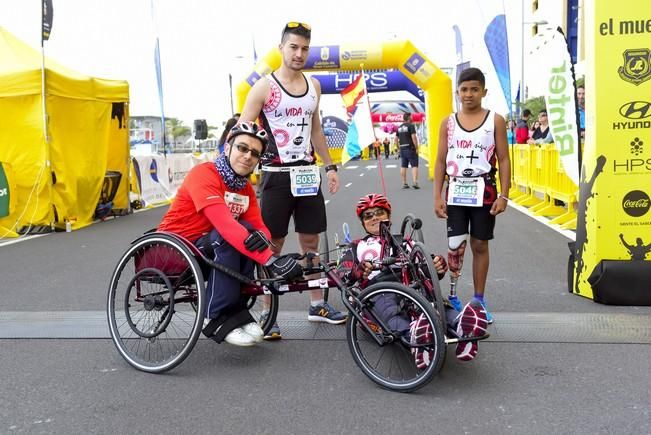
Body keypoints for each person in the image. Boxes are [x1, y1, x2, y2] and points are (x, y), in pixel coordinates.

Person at [239, 21, 345, 340]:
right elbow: (243, 131)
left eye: (304, 49)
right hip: (275, 176)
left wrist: (330, 167)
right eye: (293, 47)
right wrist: (240, 173)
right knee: (272, 244)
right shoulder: (264, 87)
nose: (299, 54)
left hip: (306, 174)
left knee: (310, 242)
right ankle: (267, 311)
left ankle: (316, 304)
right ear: (281, 48)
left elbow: (316, 130)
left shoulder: (314, 86)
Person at [158, 121, 304, 347]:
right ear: (227, 148)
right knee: (229, 236)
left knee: (248, 234)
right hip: (175, 246)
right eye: (242, 148)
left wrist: (263, 239)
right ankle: (216, 314)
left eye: (254, 153)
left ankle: (236, 311)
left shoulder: (244, 187)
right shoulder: (204, 174)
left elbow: (259, 225)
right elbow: (225, 225)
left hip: (208, 245)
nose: (247, 156)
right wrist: (271, 260)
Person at [338, 193, 488, 361]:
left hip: (411, 284)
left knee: (435, 304)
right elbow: (342, 272)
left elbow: (428, 267)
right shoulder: (357, 245)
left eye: (379, 212)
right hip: (379, 288)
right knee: (389, 309)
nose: (374, 217)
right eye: (368, 215)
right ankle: (415, 336)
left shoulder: (406, 241)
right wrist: (358, 271)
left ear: (388, 216)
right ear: (363, 222)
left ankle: (462, 327)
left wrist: (438, 265)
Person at [434, 67, 511, 324]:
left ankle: (479, 299)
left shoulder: (495, 120)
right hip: (455, 191)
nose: (469, 94)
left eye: (474, 89)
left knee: (479, 244)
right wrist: (437, 195)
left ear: (483, 91)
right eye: (464, 89)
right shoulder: (447, 122)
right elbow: (440, 161)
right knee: (455, 247)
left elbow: (504, 158)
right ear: (457, 92)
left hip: (484, 191)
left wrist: (504, 195)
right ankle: (454, 297)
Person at [396, 113, 420, 189]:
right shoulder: (411, 126)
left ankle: (404, 183)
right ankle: (415, 182)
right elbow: (414, 137)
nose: (412, 118)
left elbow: (396, 139)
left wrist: (398, 148)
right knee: (414, 165)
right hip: (410, 148)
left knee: (403, 166)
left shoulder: (399, 127)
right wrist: (416, 147)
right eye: (411, 117)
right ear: (409, 118)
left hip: (402, 148)